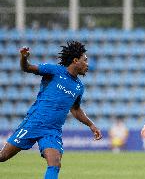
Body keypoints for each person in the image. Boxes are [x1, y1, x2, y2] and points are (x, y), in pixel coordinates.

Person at [0, 41, 102, 179]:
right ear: (75, 60)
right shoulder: (54, 71)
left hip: (52, 130)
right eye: (85, 60)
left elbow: (76, 110)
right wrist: (24, 57)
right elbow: (27, 68)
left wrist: (91, 125)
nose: (88, 64)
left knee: (55, 162)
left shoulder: (79, 87)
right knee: (3, 156)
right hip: (34, 123)